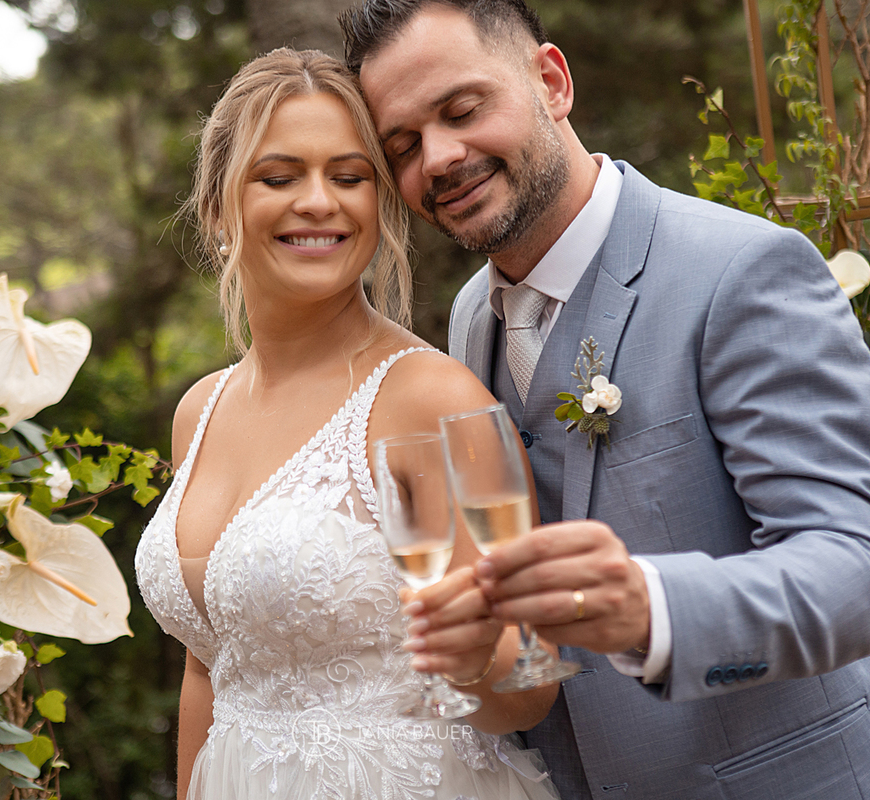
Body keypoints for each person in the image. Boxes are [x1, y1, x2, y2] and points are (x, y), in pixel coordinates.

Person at [339, 1, 870, 798]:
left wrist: (651, 609)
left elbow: (858, 578)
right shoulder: (471, 320)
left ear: (551, 81)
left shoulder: (742, 272)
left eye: (462, 110)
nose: (438, 158)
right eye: (402, 146)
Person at [133, 48, 564, 800]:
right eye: (279, 177)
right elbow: (211, 664)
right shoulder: (197, 414)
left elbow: (529, 685)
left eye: (349, 176)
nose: (318, 202)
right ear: (217, 208)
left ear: (379, 203)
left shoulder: (434, 400)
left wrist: (465, 643)